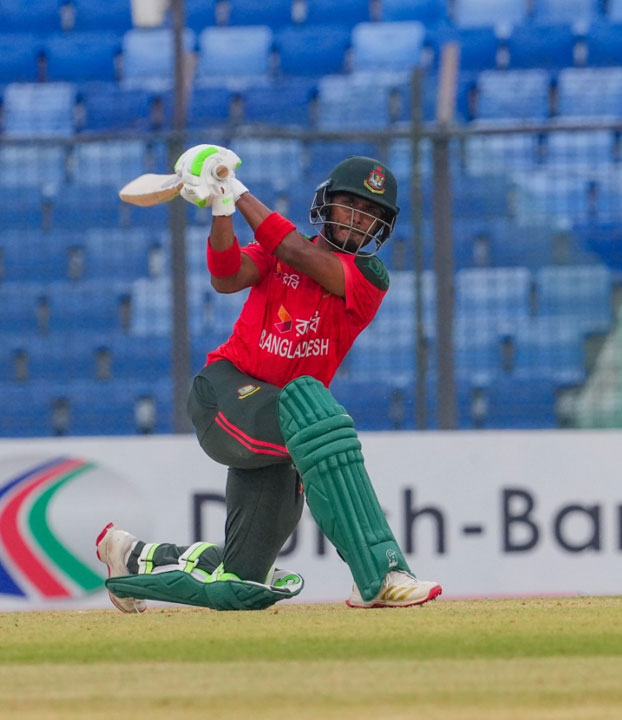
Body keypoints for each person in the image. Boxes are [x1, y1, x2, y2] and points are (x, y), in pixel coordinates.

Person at [97, 145, 442, 612]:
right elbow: (225, 276)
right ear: (327, 204)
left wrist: (235, 189)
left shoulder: (369, 277)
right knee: (311, 404)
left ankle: (131, 559)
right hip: (224, 394)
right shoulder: (276, 253)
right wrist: (222, 208)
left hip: (282, 427)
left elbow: (296, 251)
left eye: (372, 213)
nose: (360, 218)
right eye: (351, 204)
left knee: (243, 580)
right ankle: (382, 575)